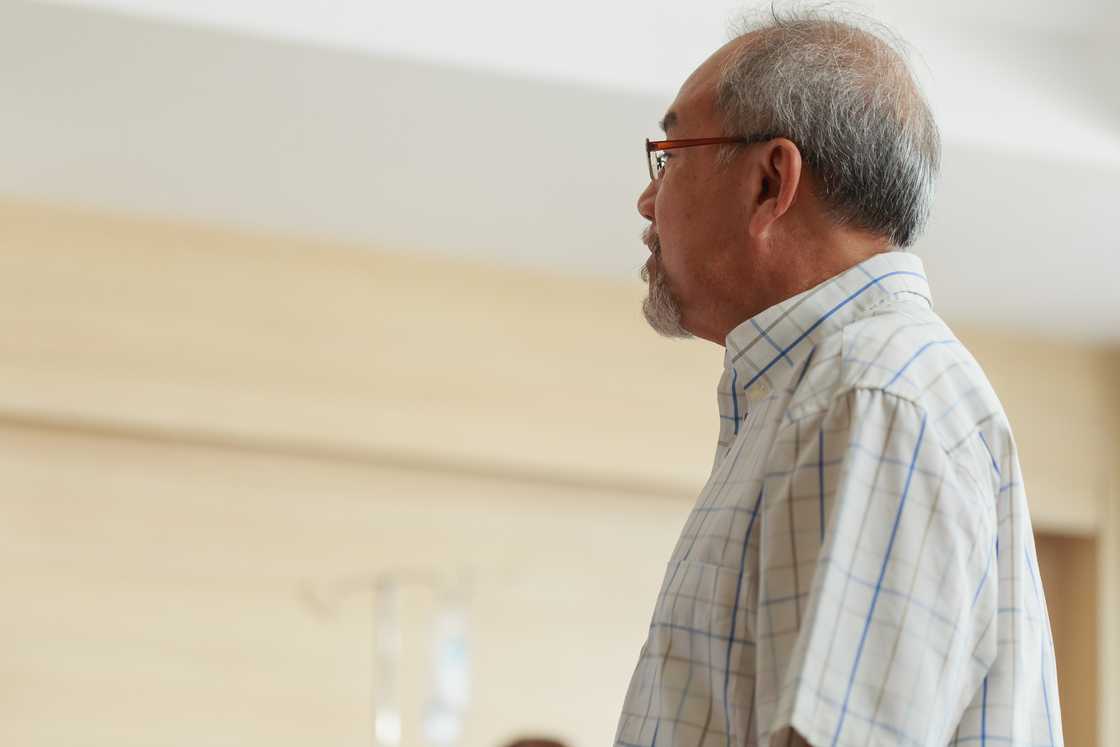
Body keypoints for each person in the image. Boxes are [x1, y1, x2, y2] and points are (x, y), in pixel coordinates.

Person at [617, 8, 1063, 747]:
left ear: (771, 180)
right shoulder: (834, 393)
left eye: (669, 154)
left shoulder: (871, 393)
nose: (646, 199)